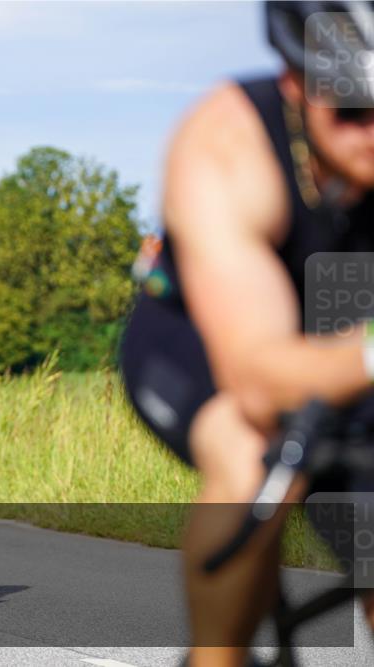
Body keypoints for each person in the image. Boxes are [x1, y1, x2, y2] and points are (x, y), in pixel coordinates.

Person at [119, 2, 374, 665]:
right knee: (255, 452)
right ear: (295, 82)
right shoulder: (228, 141)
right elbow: (260, 381)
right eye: (352, 112)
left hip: (343, 328)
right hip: (206, 339)